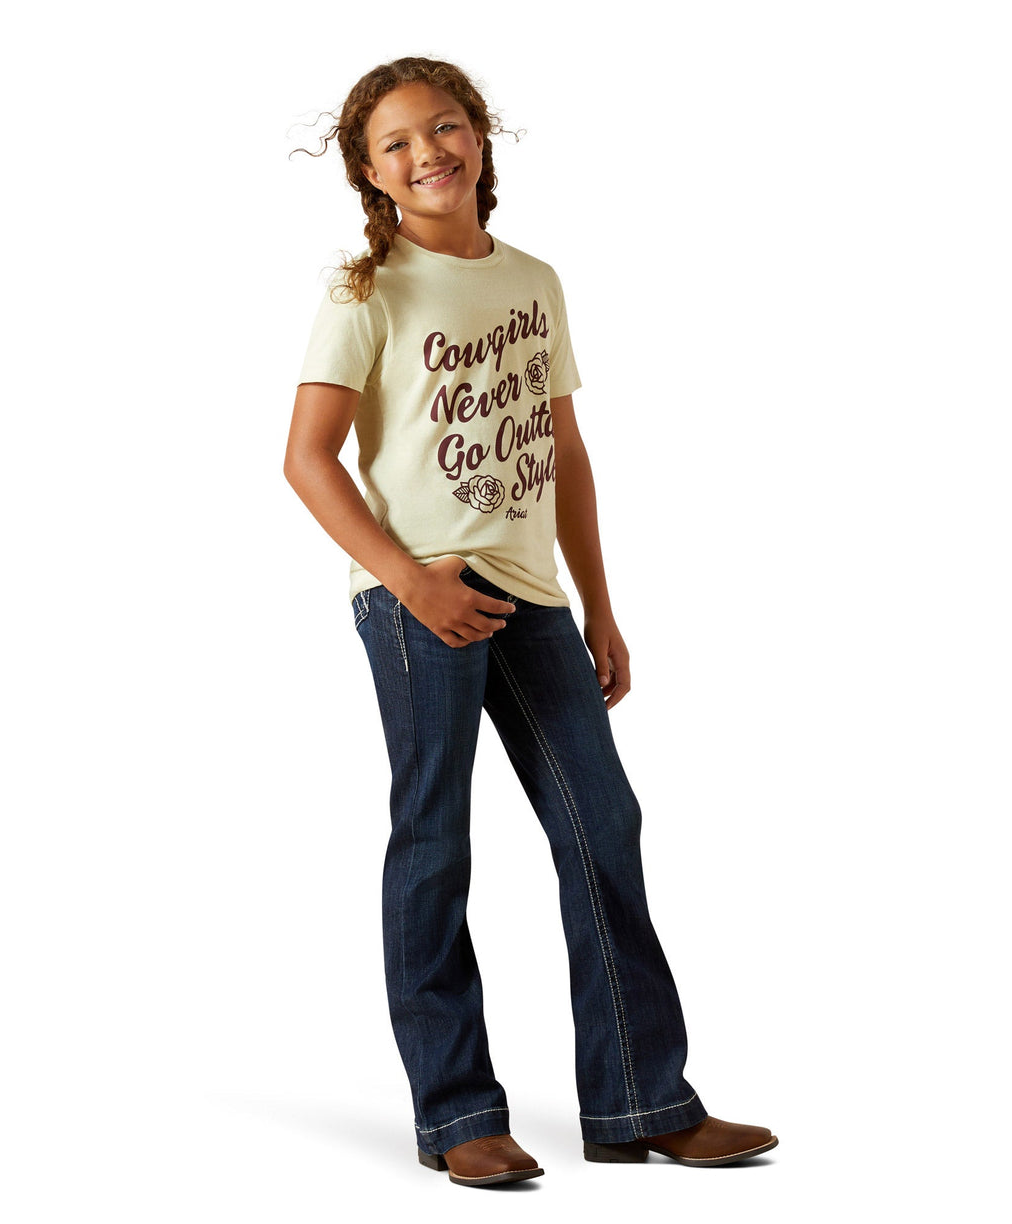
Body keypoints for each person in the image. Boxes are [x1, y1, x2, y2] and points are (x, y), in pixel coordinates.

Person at [284, 55, 777, 1188]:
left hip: (533, 598)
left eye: (445, 127)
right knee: (435, 842)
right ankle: (458, 1112)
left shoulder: (533, 282)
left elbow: (563, 452)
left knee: (602, 825)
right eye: (398, 144)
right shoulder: (367, 292)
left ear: (481, 135)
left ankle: (641, 1100)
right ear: (371, 173)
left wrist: (600, 604)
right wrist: (411, 584)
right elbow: (307, 459)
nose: (428, 153)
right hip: (421, 598)